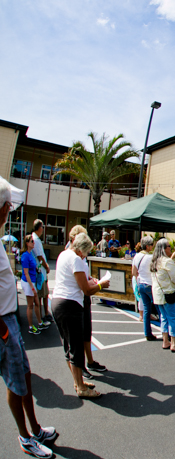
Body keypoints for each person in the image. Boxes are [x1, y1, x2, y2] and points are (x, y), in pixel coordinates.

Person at [0, 181, 59, 459]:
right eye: (6, 205)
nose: (9, 210)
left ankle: (34, 429)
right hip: (2, 323)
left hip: (9, 320)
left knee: (24, 374)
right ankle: (25, 437)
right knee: (16, 381)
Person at [52, 233, 109, 399]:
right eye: (86, 252)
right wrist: (101, 284)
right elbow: (86, 290)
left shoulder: (63, 254)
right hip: (70, 306)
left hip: (57, 302)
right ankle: (81, 387)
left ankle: (78, 383)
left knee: (68, 347)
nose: (85, 256)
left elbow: (78, 282)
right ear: (81, 250)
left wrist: (92, 282)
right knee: (76, 349)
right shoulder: (76, 259)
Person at [65, 226, 108, 381]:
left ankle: (89, 362)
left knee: (86, 331)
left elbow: (83, 276)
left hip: (81, 296)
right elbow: (80, 284)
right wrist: (98, 285)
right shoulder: (72, 255)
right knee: (76, 337)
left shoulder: (78, 256)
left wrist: (91, 280)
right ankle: (80, 368)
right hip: (75, 299)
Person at [151, 238, 175, 352]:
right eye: (169, 247)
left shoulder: (155, 261)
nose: (170, 248)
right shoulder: (168, 262)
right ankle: (174, 343)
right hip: (168, 293)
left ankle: (166, 341)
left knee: (164, 318)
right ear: (164, 249)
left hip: (158, 294)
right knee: (173, 318)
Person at [132, 236, 159, 341]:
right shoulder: (150, 257)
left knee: (147, 310)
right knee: (159, 308)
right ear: (147, 246)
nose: (152, 247)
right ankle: (166, 333)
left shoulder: (136, 256)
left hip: (141, 283)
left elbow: (134, 273)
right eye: (152, 245)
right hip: (150, 284)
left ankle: (148, 333)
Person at [20, 235, 46, 335]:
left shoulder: (31, 255)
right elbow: (26, 273)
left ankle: (40, 323)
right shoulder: (25, 256)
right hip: (28, 283)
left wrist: (37, 268)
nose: (33, 243)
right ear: (27, 243)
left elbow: (32, 268)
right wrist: (32, 287)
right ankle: (31, 327)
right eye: (31, 241)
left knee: (37, 303)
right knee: (30, 305)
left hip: (32, 281)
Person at [31, 220, 51, 324]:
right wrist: (46, 266)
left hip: (41, 272)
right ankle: (42, 317)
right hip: (40, 272)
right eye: (42, 227)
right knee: (41, 295)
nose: (43, 229)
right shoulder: (35, 239)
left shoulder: (36, 239)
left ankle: (45, 314)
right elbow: (39, 256)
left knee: (44, 294)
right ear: (38, 227)